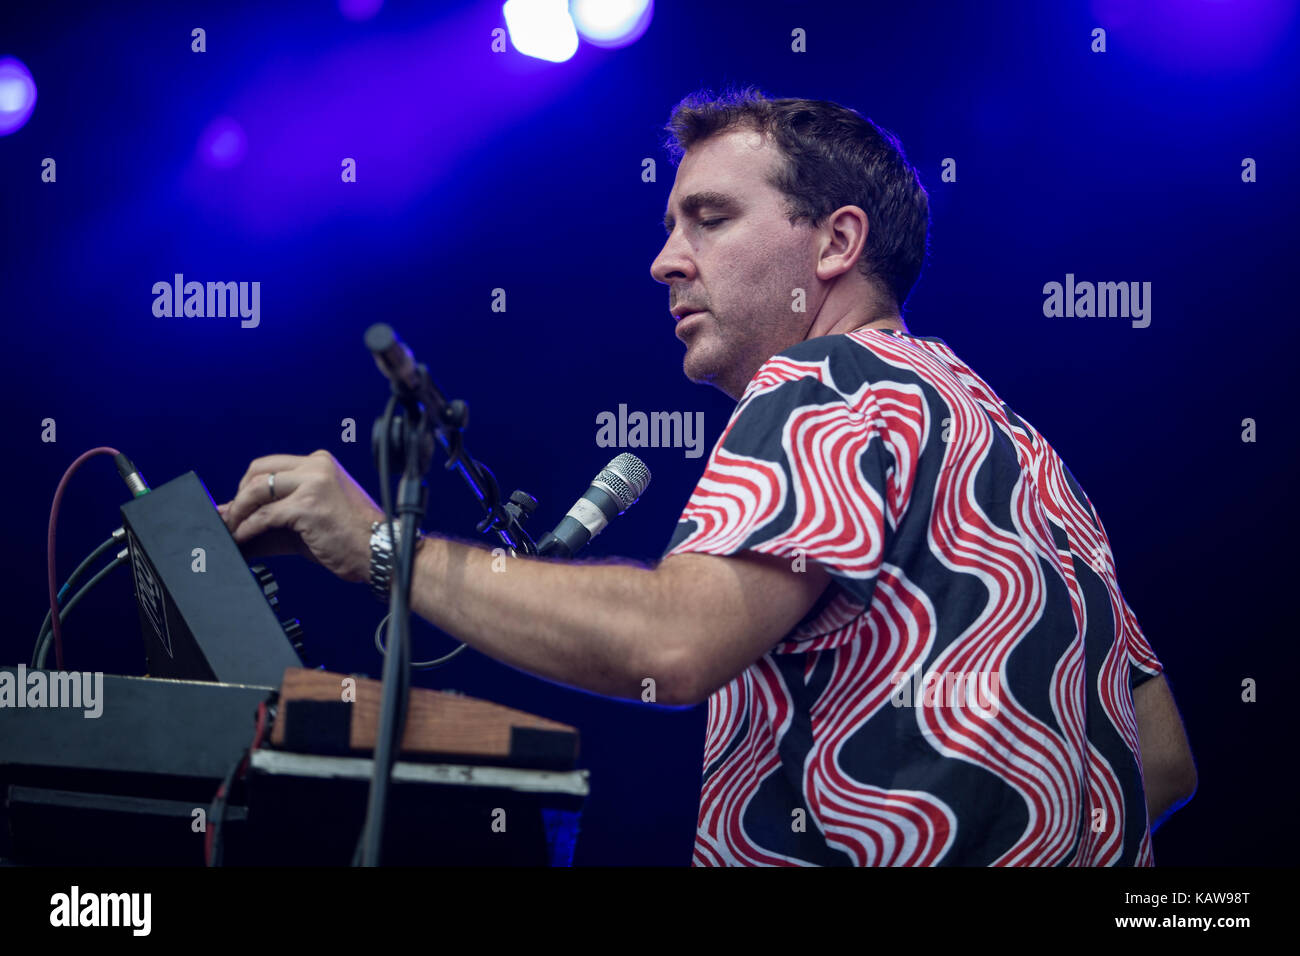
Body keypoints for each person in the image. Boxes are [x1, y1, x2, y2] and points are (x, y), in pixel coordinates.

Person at [217, 88, 1196, 866]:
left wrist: (386, 546)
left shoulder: (825, 384)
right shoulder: (1019, 446)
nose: (662, 262)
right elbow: (1156, 758)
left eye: (710, 218)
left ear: (835, 244)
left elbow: (673, 644)